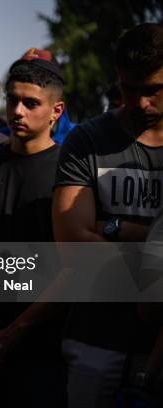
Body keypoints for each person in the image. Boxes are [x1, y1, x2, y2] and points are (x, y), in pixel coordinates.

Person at [53, 23, 163, 407]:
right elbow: (71, 245)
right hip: (96, 335)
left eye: (153, 90)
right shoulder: (88, 140)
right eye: (130, 89)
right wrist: (154, 247)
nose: (141, 103)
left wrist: (109, 227)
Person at [0, 48, 68, 408]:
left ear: (56, 111)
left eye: (31, 103)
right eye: (12, 100)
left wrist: (18, 330)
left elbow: (75, 267)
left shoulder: (72, 175)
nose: (17, 112)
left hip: (44, 346)